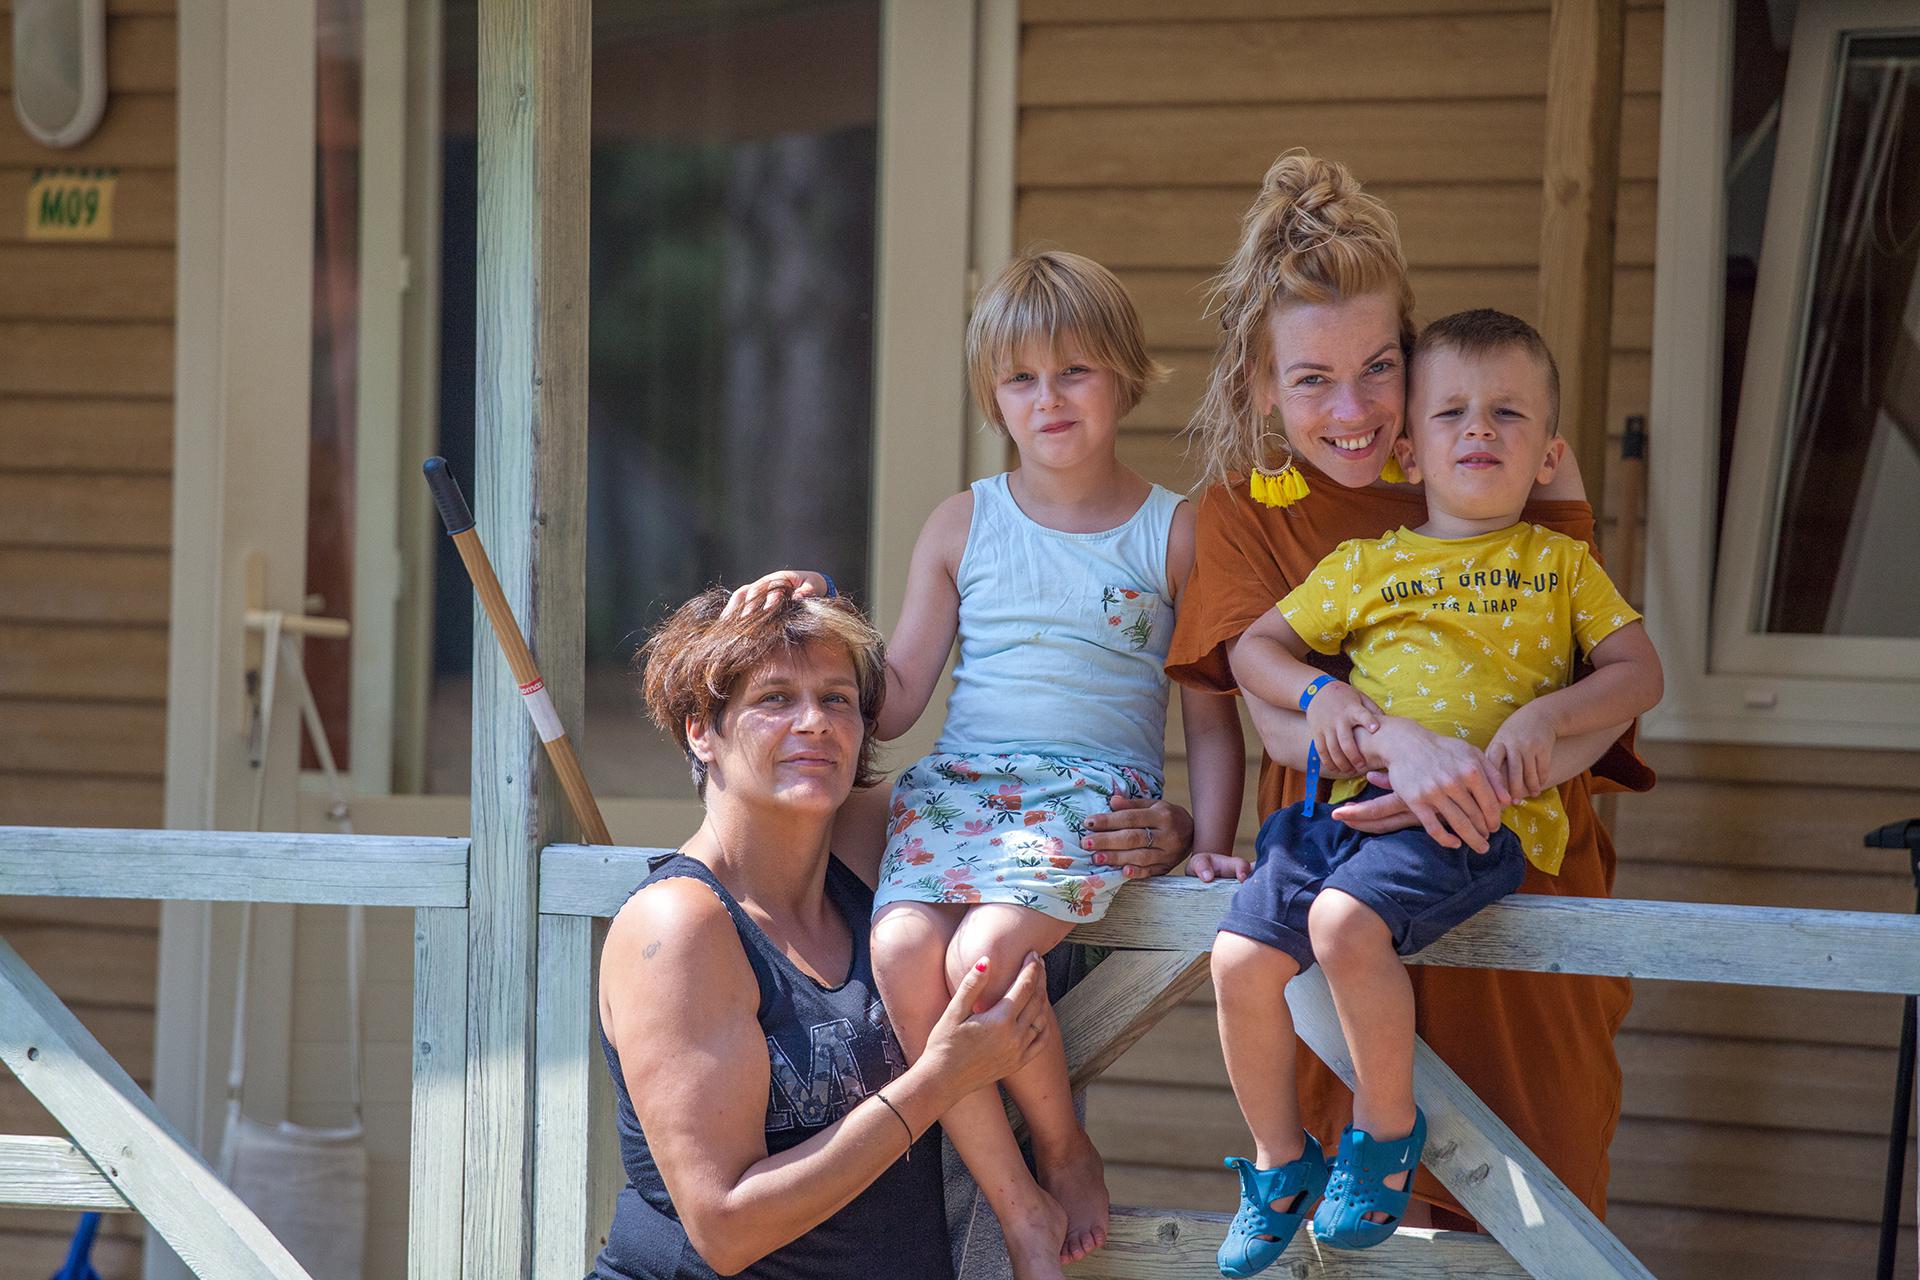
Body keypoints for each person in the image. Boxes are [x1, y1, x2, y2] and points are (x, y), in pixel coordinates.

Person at [725, 249, 1244, 1279]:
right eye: (1021, 379)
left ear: (1128, 377)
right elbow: (901, 691)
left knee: (983, 955)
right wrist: (806, 615)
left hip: (1090, 802)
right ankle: (1020, 1204)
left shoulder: (1174, 530)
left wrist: (1214, 843)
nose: (1048, 399)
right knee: (907, 946)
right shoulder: (966, 522)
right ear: (991, 396)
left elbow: (1216, 721)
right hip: (964, 793)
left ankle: (1062, 1149)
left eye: (1075, 371)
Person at [1168, 151, 1655, 1238]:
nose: (1352, 411)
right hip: (1338, 870)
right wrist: (1404, 746)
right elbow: (1272, 711)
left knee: (1542, 1218)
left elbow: (1601, 684)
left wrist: (1482, 770)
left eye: (1379, 369)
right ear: (1258, 384)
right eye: (1309, 380)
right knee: (1365, 1228)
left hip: (1518, 868)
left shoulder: (1494, 466)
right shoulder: (1240, 516)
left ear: (1417, 358)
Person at [593, 588, 1056, 1279]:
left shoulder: (874, 852)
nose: (814, 722)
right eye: (774, 698)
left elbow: (1053, 814)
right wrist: (939, 1079)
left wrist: (1155, 831)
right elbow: (726, 1227)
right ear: (701, 730)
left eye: (837, 699)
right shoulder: (680, 925)